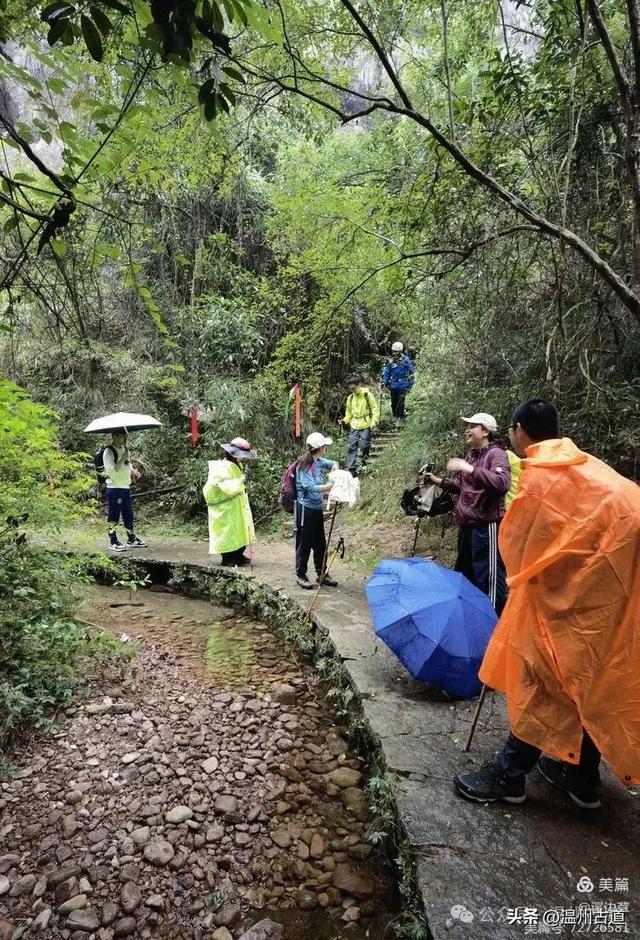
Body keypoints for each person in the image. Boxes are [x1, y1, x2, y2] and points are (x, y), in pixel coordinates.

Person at [454, 399, 640, 808]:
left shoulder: (542, 474)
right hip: (619, 593)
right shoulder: (586, 464)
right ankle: (582, 777)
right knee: (591, 680)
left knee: (545, 677)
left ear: (519, 430)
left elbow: (519, 546)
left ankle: (510, 775)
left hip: (580, 598)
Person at [423, 412, 510, 613]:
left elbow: (501, 483)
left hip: (486, 526)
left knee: (488, 579)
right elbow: (464, 486)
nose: (467, 430)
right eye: (466, 427)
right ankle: (472, 621)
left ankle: (493, 622)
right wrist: (439, 481)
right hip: (466, 526)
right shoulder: (472, 455)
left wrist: (469, 469)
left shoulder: (496, 454)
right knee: (465, 577)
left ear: (485, 431)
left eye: (472, 426)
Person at [294, 431, 339, 590]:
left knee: (320, 543)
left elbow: (332, 463)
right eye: (325, 446)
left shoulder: (318, 461)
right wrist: (328, 487)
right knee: (304, 543)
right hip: (305, 509)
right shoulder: (304, 465)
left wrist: (335, 469)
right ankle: (301, 575)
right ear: (320, 448)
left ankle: (322, 573)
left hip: (316, 508)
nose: (326, 448)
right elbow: (310, 487)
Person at [203, 437, 256, 567]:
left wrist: (243, 480)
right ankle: (228, 559)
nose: (243, 458)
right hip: (224, 507)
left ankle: (238, 555)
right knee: (227, 533)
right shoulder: (221, 468)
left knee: (240, 531)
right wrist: (242, 479)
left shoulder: (236, 464)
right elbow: (228, 488)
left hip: (236, 505)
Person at [104, 430, 146, 552]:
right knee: (114, 515)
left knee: (128, 514)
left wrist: (134, 472)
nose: (121, 437)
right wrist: (122, 458)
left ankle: (131, 538)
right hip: (114, 488)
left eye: (122, 435)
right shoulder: (109, 451)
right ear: (113, 436)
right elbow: (110, 471)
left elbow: (128, 465)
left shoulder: (126, 450)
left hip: (125, 487)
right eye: (118, 435)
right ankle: (113, 541)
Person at [339, 375, 379, 476]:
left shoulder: (367, 395)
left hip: (366, 424)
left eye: (354, 388)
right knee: (352, 447)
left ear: (359, 385)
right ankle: (351, 469)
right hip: (354, 425)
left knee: (365, 445)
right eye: (351, 389)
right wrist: (344, 421)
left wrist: (374, 421)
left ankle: (364, 461)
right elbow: (349, 413)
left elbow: (374, 408)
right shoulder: (350, 398)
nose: (352, 390)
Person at [382, 342, 415, 423]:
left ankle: (400, 418)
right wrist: (384, 382)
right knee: (394, 401)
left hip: (403, 384)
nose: (395, 353)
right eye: (394, 351)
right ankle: (395, 416)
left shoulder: (405, 360)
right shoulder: (391, 361)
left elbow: (411, 372)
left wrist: (411, 383)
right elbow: (387, 372)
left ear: (400, 351)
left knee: (400, 402)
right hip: (393, 384)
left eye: (396, 351)